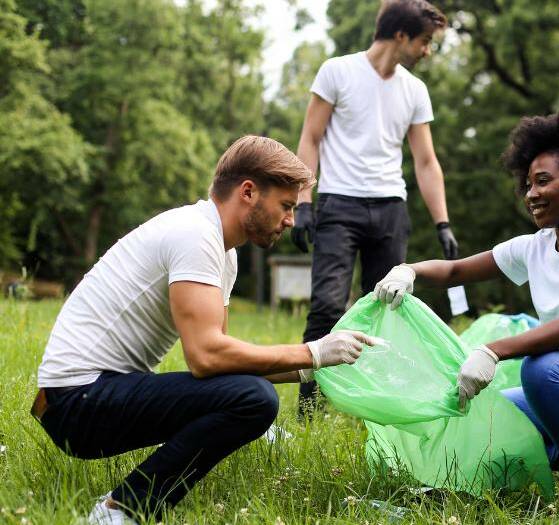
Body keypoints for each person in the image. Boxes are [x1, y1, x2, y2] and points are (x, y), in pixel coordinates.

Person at [32, 136, 378, 524]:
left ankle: (123, 504)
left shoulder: (222, 251)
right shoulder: (194, 235)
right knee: (255, 399)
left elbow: (225, 363)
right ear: (248, 192)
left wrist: (321, 364)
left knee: (248, 394)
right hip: (75, 402)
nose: (291, 221)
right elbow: (206, 356)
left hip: (87, 398)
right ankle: (122, 510)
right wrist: (313, 352)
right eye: (285, 206)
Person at [374, 107, 559, 497]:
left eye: (543, 181)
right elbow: (456, 271)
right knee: (495, 415)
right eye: (528, 184)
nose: (531, 194)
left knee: (541, 369)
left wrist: (493, 351)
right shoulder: (534, 248)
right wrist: (409, 270)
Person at [292, 0, 458, 413]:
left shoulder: (415, 90)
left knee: (384, 307)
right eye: (424, 41)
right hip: (339, 205)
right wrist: (303, 202)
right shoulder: (337, 71)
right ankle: (311, 406)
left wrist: (442, 222)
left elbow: (425, 160)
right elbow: (310, 138)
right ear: (401, 36)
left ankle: (369, 405)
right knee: (329, 304)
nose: (427, 51)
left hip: (390, 209)